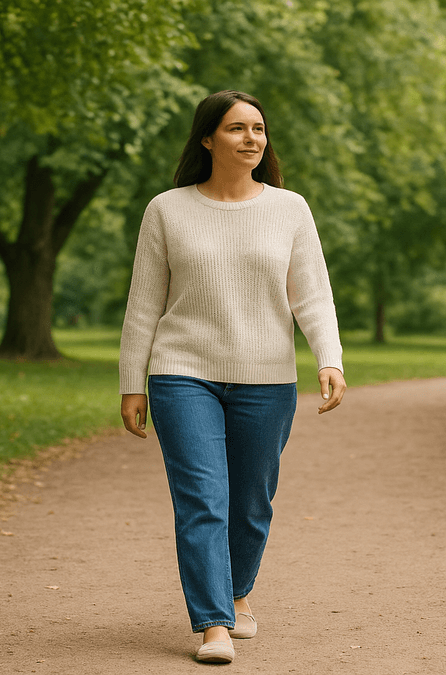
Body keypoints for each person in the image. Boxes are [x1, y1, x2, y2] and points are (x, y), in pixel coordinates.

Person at [118, 90, 347, 664]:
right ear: (206, 138)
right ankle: (213, 623)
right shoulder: (166, 209)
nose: (252, 138)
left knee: (251, 502)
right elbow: (144, 304)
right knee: (202, 500)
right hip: (182, 373)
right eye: (237, 128)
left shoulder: (289, 208)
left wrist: (330, 357)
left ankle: (239, 591)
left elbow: (312, 294)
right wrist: (132, 382)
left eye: (259, 129)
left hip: (266, 378)